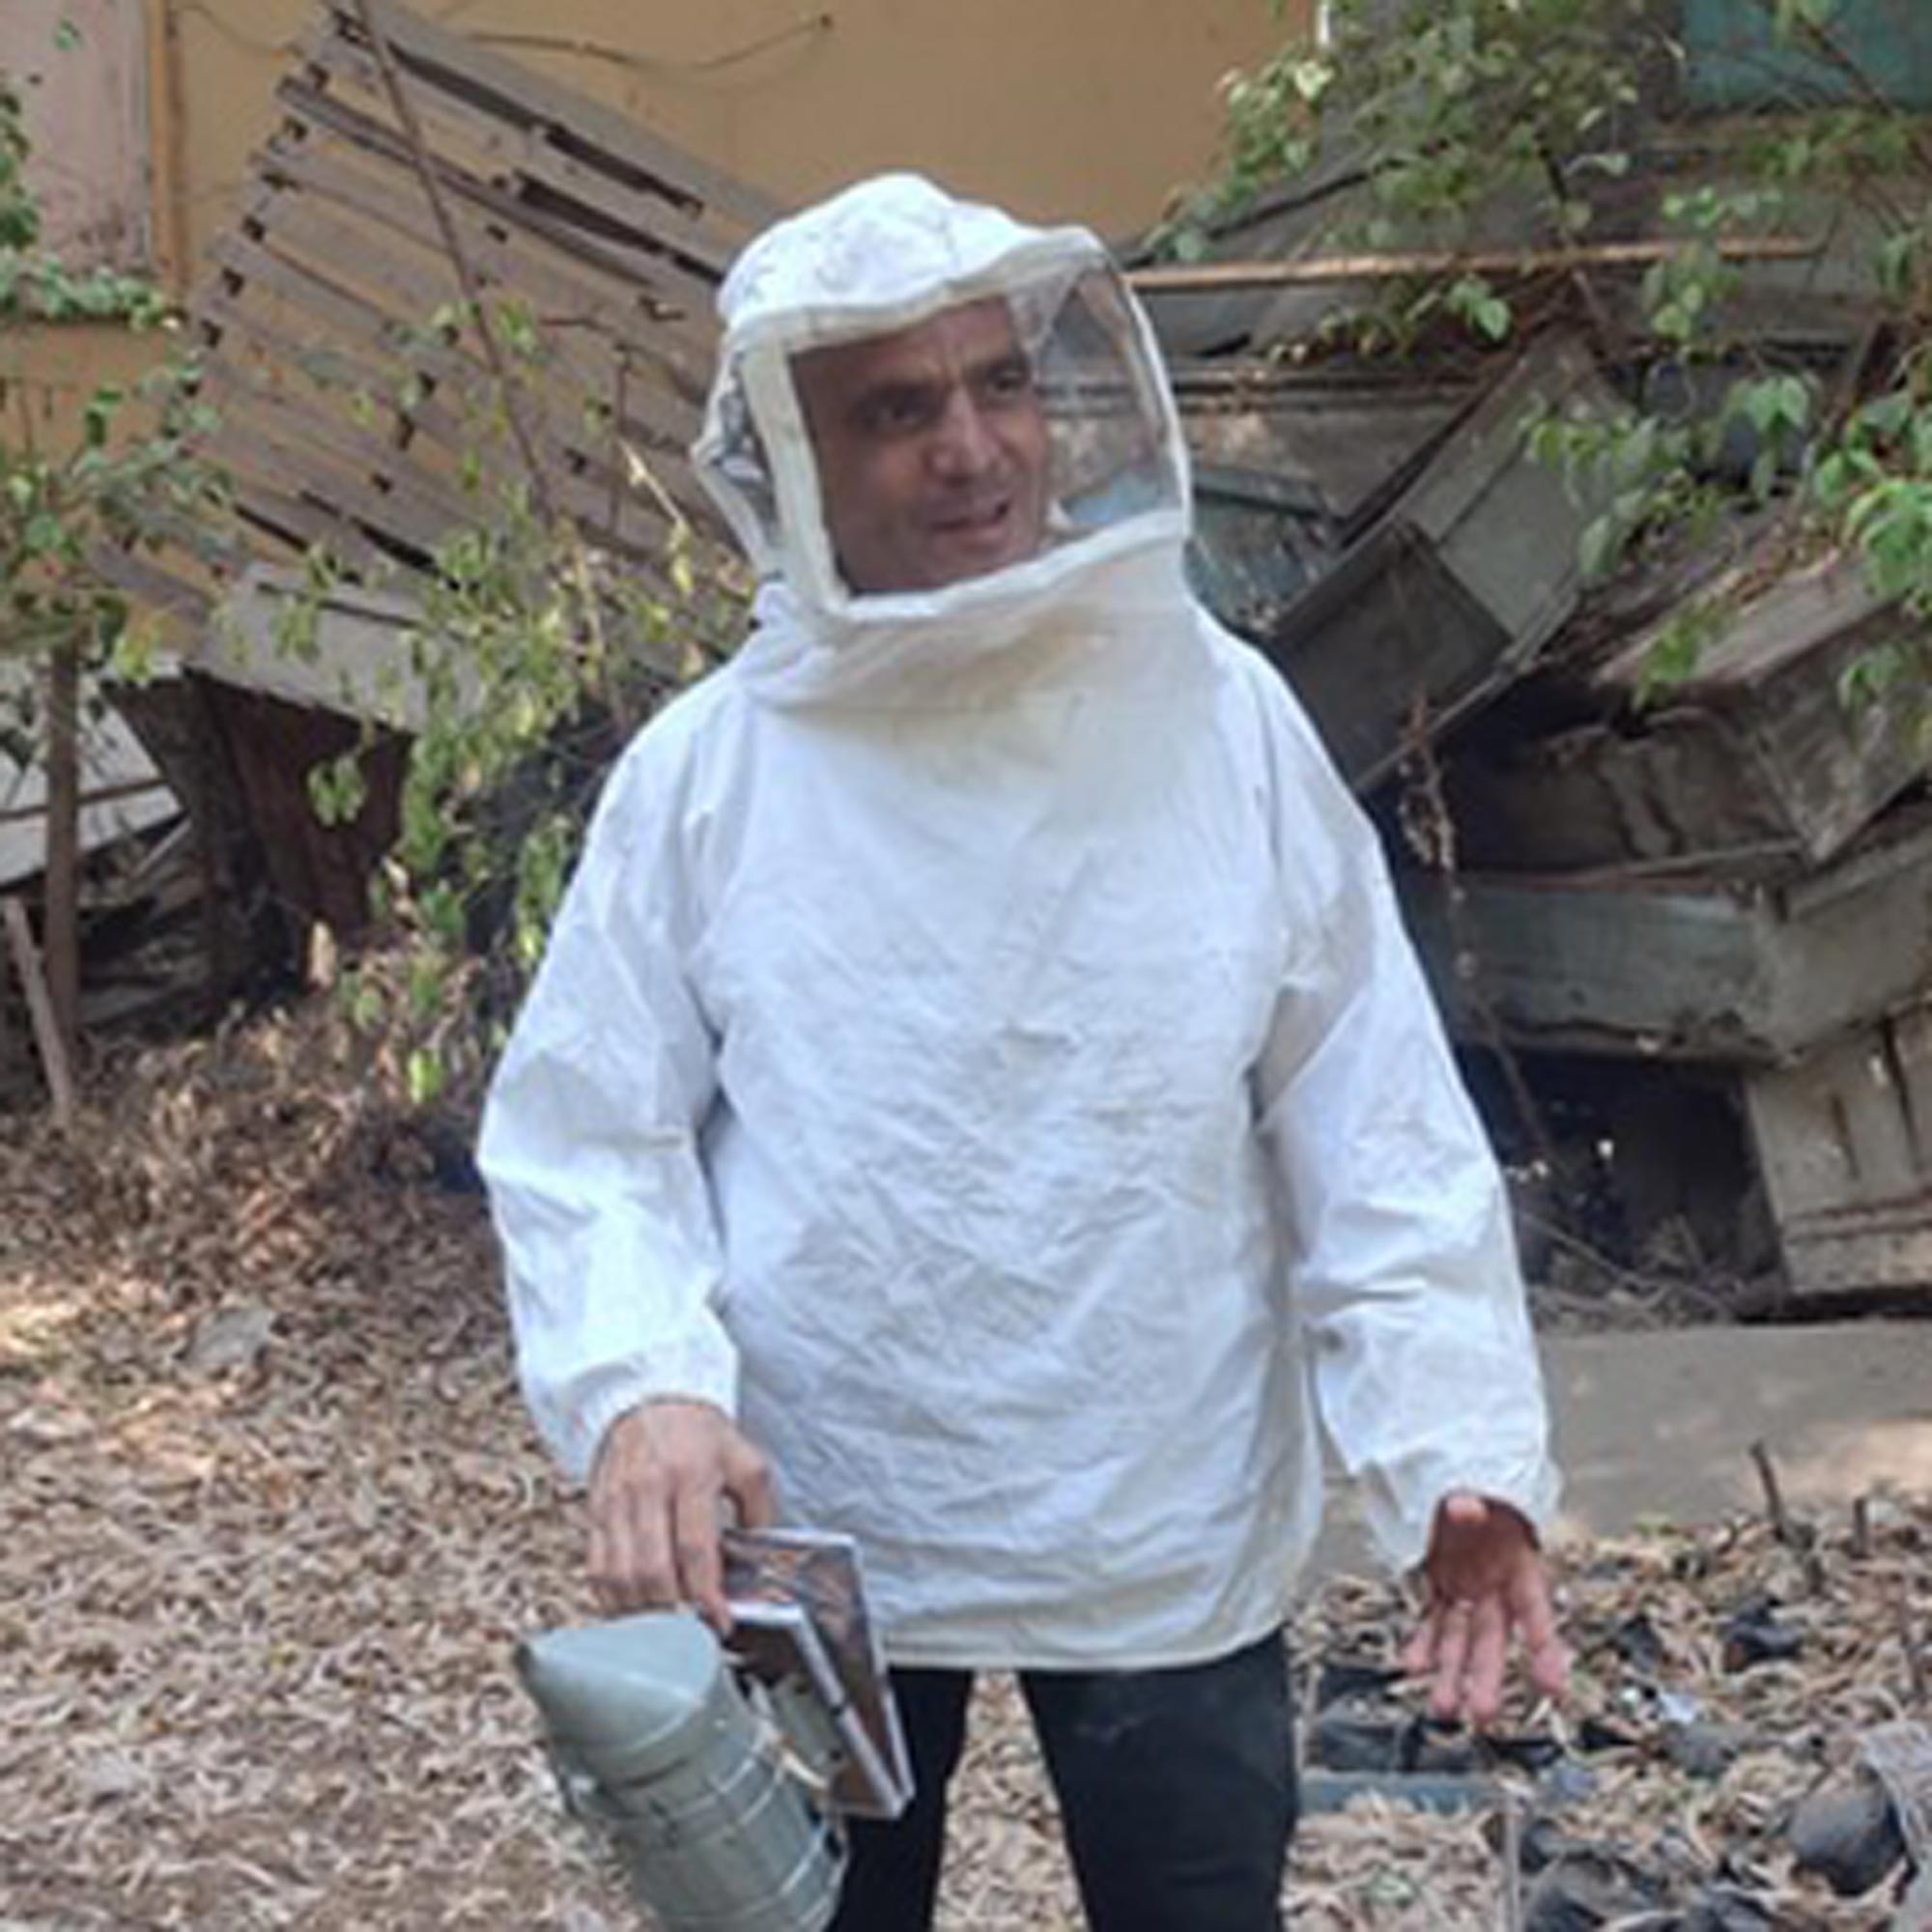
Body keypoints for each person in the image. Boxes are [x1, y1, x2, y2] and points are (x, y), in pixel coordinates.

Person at [478, 173, 1566, 1931]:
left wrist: (1457, 1446)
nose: (973, 448)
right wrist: (643, 1391)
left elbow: (1364, 1106)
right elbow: (590, 1129)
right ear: (798, 455)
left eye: (999, 385)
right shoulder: (708, 774)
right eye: (898, 410)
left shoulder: (1217, 720)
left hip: (1158, 1513)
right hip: (821, 1521)